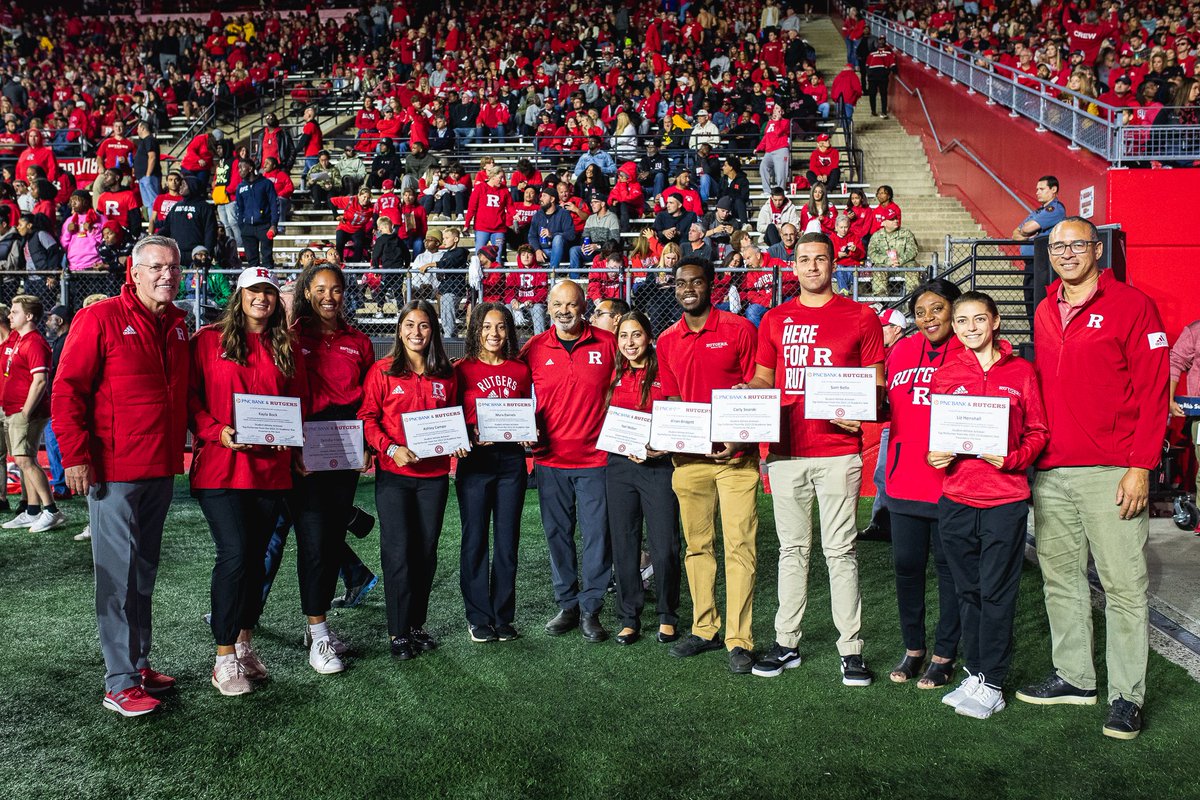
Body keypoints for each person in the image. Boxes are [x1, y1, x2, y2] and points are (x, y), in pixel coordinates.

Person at [1017, 217, 1169, 741]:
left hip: (1113, 472)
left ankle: (1127, 696)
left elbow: (1154, 393)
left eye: (1077, 244)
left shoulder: (1133, 306)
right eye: (1057, 245)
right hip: (1053, 470)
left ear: (1097, 250)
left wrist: (1140, 467)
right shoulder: (1042, 309)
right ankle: (1076, 677)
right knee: (1061, 581)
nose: (1066, 253)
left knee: (1124, 587)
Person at [53, 235, 190, 716]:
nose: (165, 275)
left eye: (172, 267)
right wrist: (74, 455)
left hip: (160, 468)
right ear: (133, 272)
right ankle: (119, 681)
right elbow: (67, 389)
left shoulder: (177, 322)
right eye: (155, 267)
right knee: (116, 577)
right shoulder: (99, 317)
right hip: (113, 470)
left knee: (144, 572)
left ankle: (138, 662)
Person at [745, 232, 885, 685]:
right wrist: (744, 400)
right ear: (793, 264)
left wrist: (861, 413)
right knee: (792, 550)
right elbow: (764, 378)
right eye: (803, 259)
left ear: (832, 264)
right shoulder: (775, 318)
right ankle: (787, 642)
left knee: (841, 551)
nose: (811, 267)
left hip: (837, 453)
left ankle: (852, 649)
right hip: (786, 451)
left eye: (819, 259)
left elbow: (877, 388)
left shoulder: (861, 316)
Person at [930, 291, 1048, 720]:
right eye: (962, 321)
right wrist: (934, 454)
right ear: (955, 326)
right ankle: (975, 673)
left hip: (1004, 500)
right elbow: (937, 435)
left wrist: (1014, 458)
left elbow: (1038, 430)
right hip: (957, 498)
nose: (970, 328)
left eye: (979, 319)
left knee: (997, 592)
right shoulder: (945, 374)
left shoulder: (1021, 371)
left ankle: (994, 683)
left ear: (995, 322)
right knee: (968, 591)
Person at [189, 267, 307, 696]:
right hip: (221, 468)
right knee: (236, 554)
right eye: (253, 292)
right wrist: (214, 430)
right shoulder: (206, 341)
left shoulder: (285, 345)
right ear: (238, 297)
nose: (262, 299)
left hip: (270, 471)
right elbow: (191, 399)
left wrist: (291, 442)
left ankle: (243, 644)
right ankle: (222, 657)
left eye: (269, 293)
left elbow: (298, 402)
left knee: (256, 559)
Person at [656, 257, 760, 672]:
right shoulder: (667, 340)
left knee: (740, 547)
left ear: (710, 286)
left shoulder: (739, 329)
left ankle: (740, 638)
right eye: (680, 283)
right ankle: (704, 629)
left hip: (736, 460)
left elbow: (758, 389)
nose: (687, 289)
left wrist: (739, 439)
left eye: (695, 282)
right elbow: (673, 402)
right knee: (698, 548)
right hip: (689, 462)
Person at [358, 300, 465, 661]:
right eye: (409, 325)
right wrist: (389, 449)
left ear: (433, 331)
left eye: (423, 326)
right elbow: (368, 419)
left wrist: (459, 441)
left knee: (426, 553)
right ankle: (397, 631)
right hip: (395, 478)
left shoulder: (446, 374)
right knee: (398, 553)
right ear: (398, 330)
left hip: (433, 478)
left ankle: (417, 624)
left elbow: (455, 418)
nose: (416, 333)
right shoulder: (382, 371)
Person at [290, 262, 376, 674]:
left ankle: (317, 628)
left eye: (337, 289)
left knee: (327, 540)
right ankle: (318, 635)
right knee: (313, 541)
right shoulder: (289, 338)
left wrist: (367, 445)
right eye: (320, 289)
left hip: (342, 450)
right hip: (303, 452)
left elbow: (366, 402)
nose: (329, 296)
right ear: (307, 292)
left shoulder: (358, 341)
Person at [521, 280, 617, 643]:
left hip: (596, 459)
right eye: (558, 304)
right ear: (548, 308)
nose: (564, 310)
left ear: (584, 307)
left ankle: (591, 608)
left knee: (596, 537)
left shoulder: (608, 345)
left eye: (572, 304)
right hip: (549, 460)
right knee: (557, 535)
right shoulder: (533, 348)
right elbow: (510, 393)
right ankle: (567, 603)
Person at [454, 302, 533, 642]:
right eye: (486, 327)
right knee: (475, 540)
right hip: (475, 463)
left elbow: (530, 412)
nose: (494, 334)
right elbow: (449, 415)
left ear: (509, 331)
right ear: (476, 331)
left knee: (506, 540)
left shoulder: (520, 370)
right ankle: (478, 617)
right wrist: (464, 434)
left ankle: (503, 616)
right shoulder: (461, 369)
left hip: (511, 462)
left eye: (500, 327)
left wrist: (529, 431)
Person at [606, 310, 681, 645]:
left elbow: (678, 416)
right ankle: (629, 616)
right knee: (624, 543)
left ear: (649, 337)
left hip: (658, 467)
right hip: (619, 467)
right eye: (623, 336)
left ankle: (667, 614)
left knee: (664, 545)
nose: (629, 342)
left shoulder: (666, 370)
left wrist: (661, 447)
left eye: (636, 335)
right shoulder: (613, 371)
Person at [0, 295, 63, 532]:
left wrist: (25, 411)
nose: (10, 315)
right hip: (15, 408)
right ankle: (32, 510)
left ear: (28, 316)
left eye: (14, 312)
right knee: (25, 459)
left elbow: (40, 381)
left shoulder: (34, 342)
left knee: (25, 460)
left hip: (25, 411)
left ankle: (51, 510)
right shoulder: (20, 339)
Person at [1012, 176, 1067, 317]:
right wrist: (1029, 232)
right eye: (1037, 189)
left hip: (1044, 263)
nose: (1037, 192)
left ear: (1053, 189)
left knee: (1040, 301)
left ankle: (1039, 336)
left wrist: (1027, 231)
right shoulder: (1037, 212)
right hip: (1031, 264)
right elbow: (1015, 233)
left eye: (1041, 189)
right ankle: (1032, 336)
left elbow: (1026, 228)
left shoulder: (1055, 209)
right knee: (1029, 300)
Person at [866, 206, 921, 297]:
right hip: (885, 266)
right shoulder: (876, 236)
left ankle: (912, 297)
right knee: (877, 268)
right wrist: (888, 261)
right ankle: (881, 299)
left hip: (903, 265)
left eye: (896, 218)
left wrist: (900, 260)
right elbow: (872, 253)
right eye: (892, 219)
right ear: (883, 222)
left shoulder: (906, 233)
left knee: (912, 266)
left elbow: (913, 250)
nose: (896, 220)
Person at [233, 160, 279, 267]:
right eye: (238, 168)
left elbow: (274, 204)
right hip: (247, 228)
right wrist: (242, 225)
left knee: (267, 258)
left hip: (264, 226)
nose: (239, 171)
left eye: (242, 168)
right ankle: (255, 283)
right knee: (252, 261)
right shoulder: (240, 187)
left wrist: (273, 225)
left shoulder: (266, 184)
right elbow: (240, 208)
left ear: (250, 168)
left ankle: (268, 283)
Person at [527, 186, 576, 269]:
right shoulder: (537, 215)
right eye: (541, 196)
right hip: (543, 251)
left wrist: (552, 234)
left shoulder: (564, 214)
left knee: (558, 238)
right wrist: (537, 250)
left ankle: (552, 273)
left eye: (544, 196)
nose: (541, 199)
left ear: (552, 199)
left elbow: (571, 235)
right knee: (523, 253)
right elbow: (532, 236)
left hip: (561, 253)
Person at [755, 104, 791, 196]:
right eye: (775, 108)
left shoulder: (786, 122)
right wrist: (759, 148)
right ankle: (767, 191)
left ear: (782, 111)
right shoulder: (769, 123)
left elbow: (778, 132)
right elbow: (766, 137)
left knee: (781, 172)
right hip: (769, 151)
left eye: (778, 108)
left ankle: (780, 191)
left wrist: (777, 121)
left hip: (781, 149)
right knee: (763, 167)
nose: (775, 110)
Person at [866, 36, 897, 118]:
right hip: (872, 77)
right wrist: (868, 73)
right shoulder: (872, 53)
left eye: (883, 40)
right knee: (872, 94)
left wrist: (892, 71)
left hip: (883, 77)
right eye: (880, 40)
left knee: (883, 94)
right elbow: (867, 65)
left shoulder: (889, 53)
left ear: (885, 41)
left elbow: (893, 64)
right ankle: (873, 111)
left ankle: (884, 112)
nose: (881, 42)